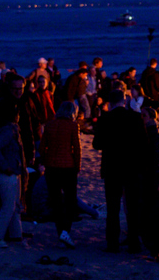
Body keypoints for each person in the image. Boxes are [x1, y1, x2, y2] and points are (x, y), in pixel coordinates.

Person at [92, 89, 149, 253]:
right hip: (131, 167)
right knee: (132, 207)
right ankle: (133, 242)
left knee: (113, 207)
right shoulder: (135, 118)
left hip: (112, 168)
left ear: (110, 103)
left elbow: (97, 144)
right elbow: (144, 143)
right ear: (124, 102)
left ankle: (112, 243)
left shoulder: (105, 119)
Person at [39, 101, 82, 248]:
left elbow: (42, 146)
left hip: (51, 167)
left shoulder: (49, 125)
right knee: (70, 200)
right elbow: (76, 148)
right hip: (68, 167)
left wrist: (45, 160)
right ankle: (66, 231)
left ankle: (60, 232)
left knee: (56, 201)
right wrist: (77, 166)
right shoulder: (72, 126)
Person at [0, 103, 27, 248]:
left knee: (14, 206)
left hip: (13, 173)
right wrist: (6, 166)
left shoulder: (12, 131)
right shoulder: (8, 132)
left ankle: (17, 236)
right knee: (9, 207)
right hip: (7, 174)